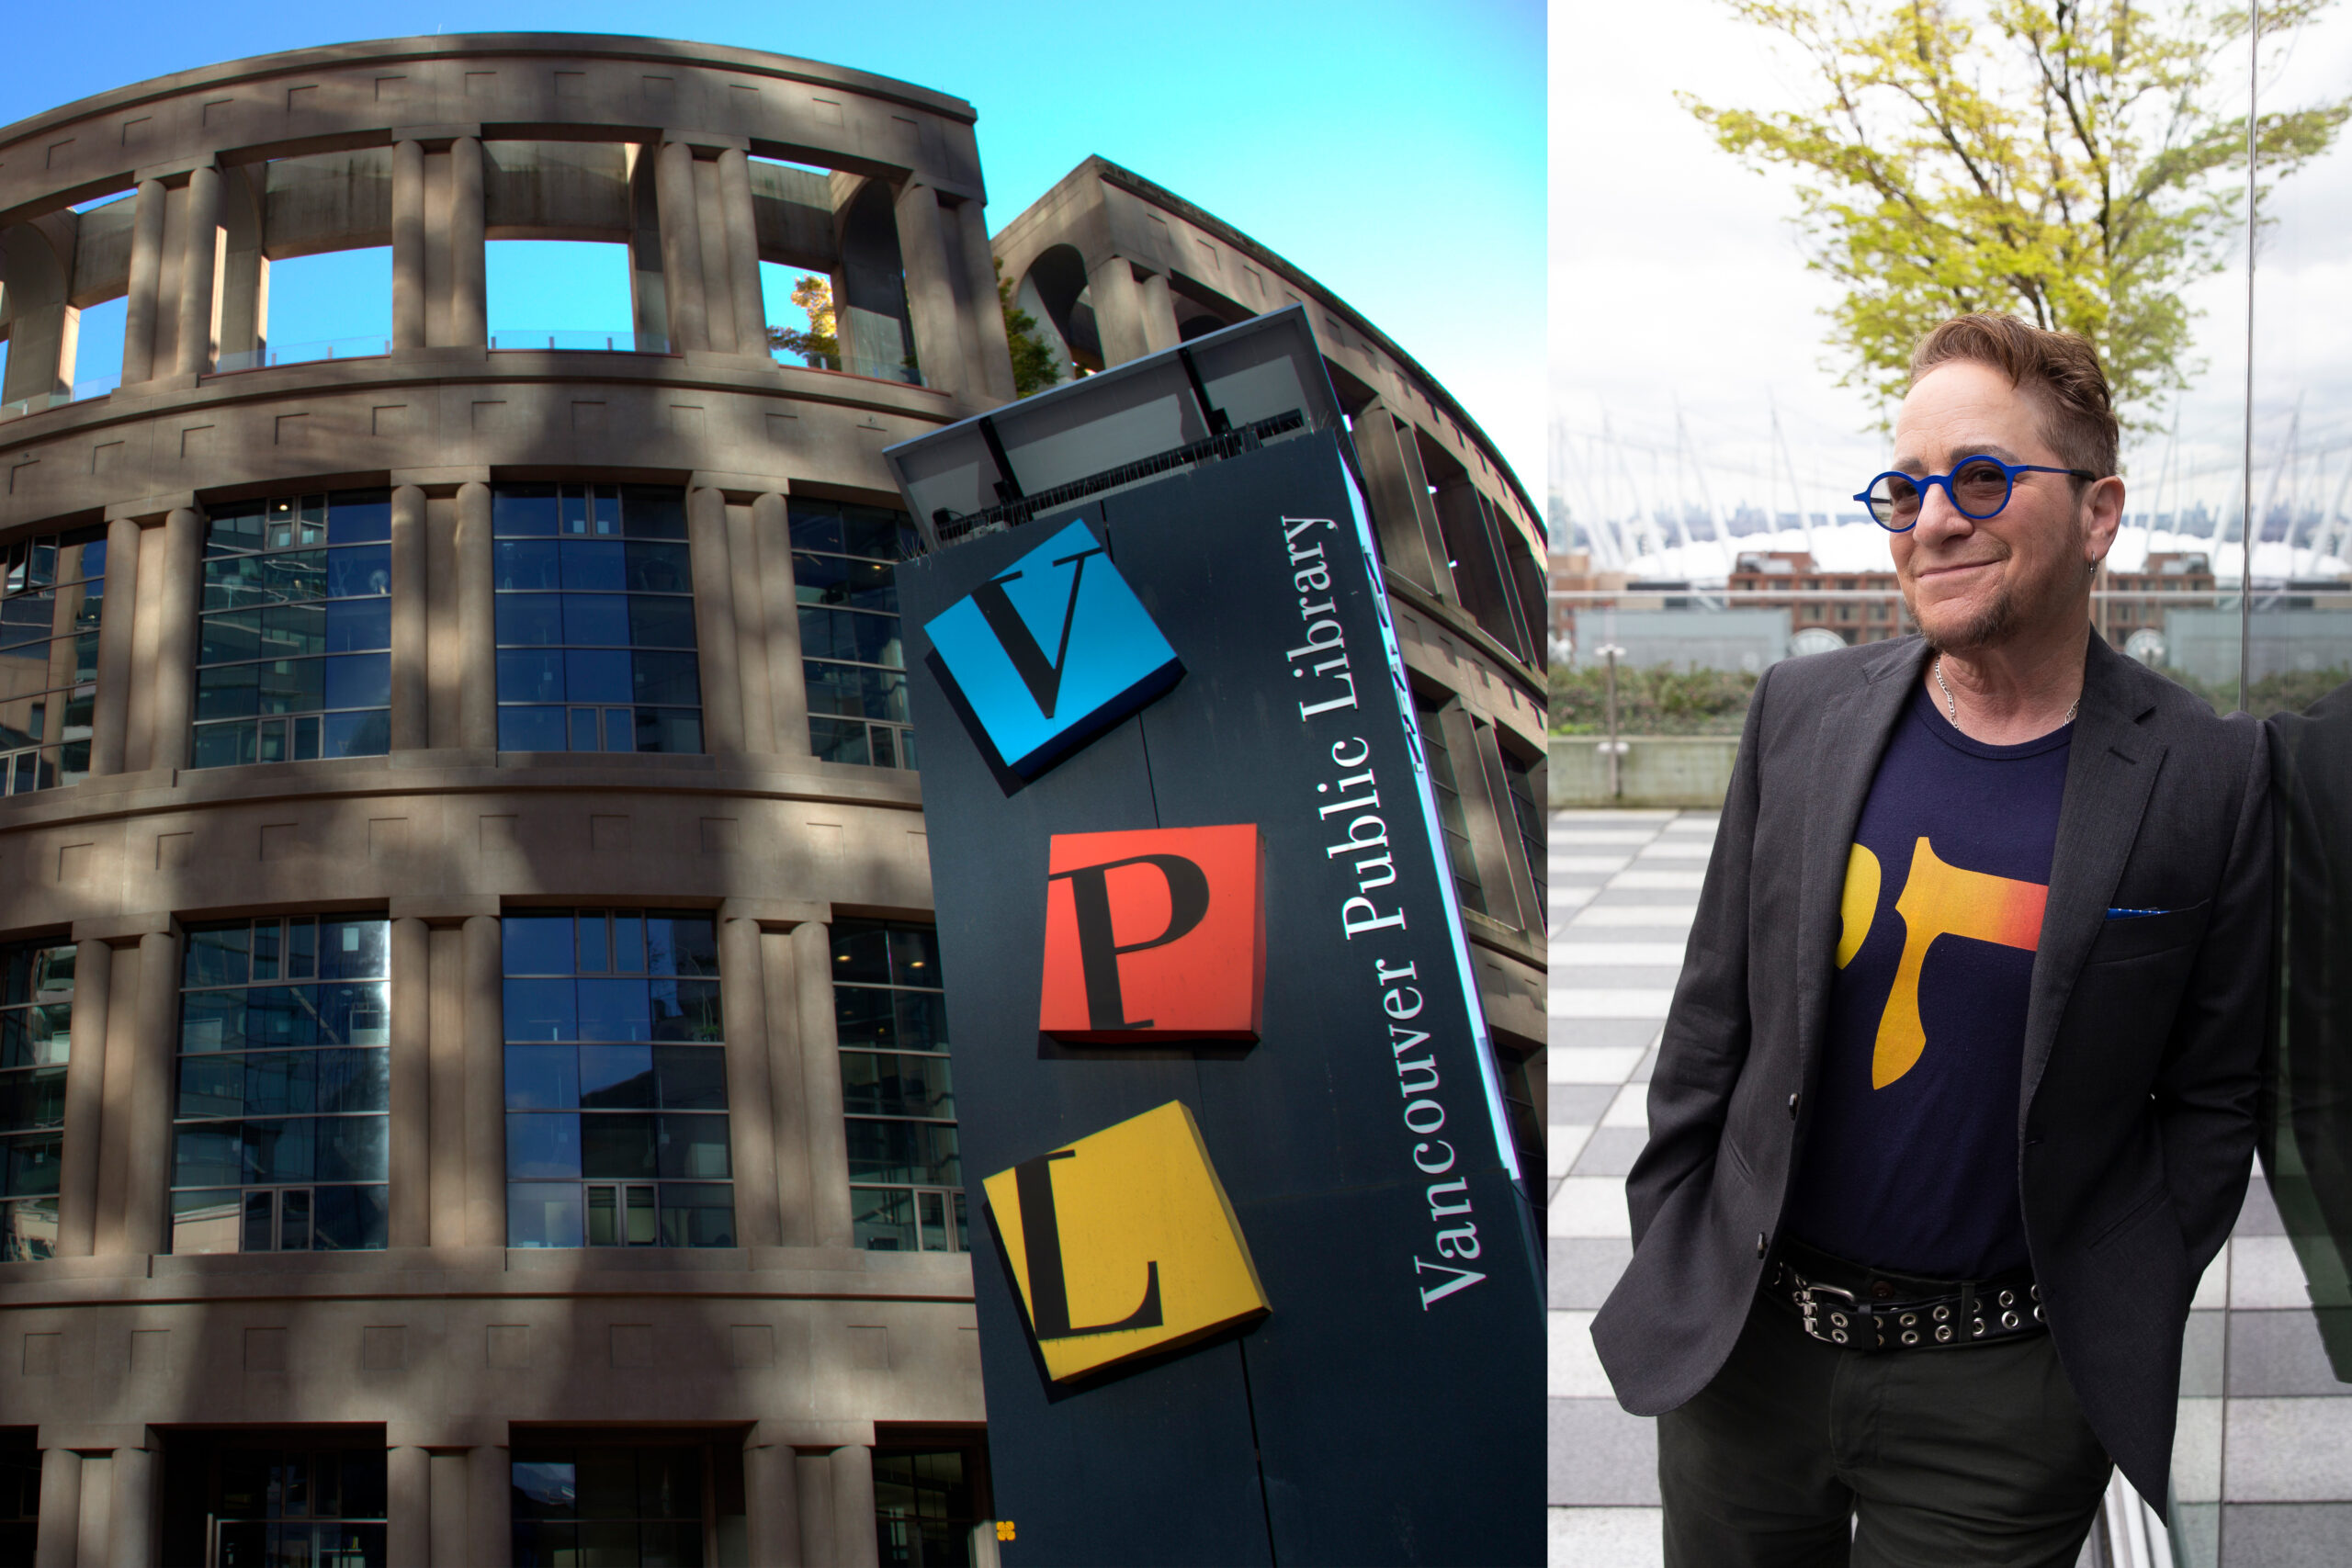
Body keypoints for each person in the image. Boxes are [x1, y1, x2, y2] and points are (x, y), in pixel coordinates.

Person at [1591, 313, 2272, 1566]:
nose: (1933, 521)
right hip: (1745, 1360)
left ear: (2100, 514)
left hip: (2005, 1406)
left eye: (1981, 479)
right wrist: (1678, 1235)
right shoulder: (1801, 712)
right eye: (1904, 489)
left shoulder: (2205, 774)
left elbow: (2215, 1097)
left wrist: (2103, 1325)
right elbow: (1710, 1018)